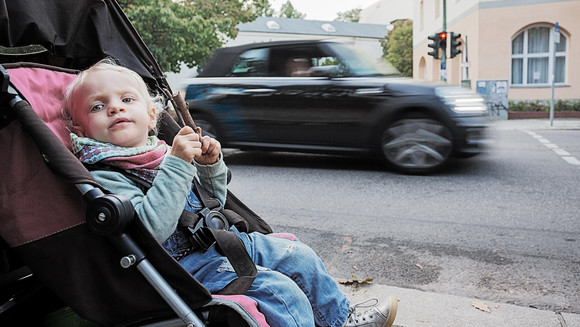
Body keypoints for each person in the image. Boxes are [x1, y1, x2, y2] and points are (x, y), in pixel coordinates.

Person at [61, 58, 398, 327]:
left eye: (126, 99)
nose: (115, 108)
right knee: (280, 293)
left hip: (217, 240)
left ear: (152, 117)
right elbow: (151, 231)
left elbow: (212, 204)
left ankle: (339, 320)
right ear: (79, 130)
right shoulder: (107, 174)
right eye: (97, 107)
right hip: (182, 267)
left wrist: (209, 165)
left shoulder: (161, 151)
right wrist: (179, 163)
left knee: (298, 256)